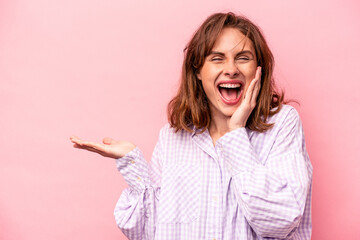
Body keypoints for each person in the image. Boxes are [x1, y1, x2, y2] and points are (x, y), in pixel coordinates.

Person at [70, 12, 312, 240]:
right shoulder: (173, 137)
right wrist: (133, 164)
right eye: (217, 59)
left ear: (259, 70)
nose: (231, 69)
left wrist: (236, 132)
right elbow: (149, 232)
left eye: (243, 58)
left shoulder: (281, 124)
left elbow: (280, 221)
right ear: (197, 70)